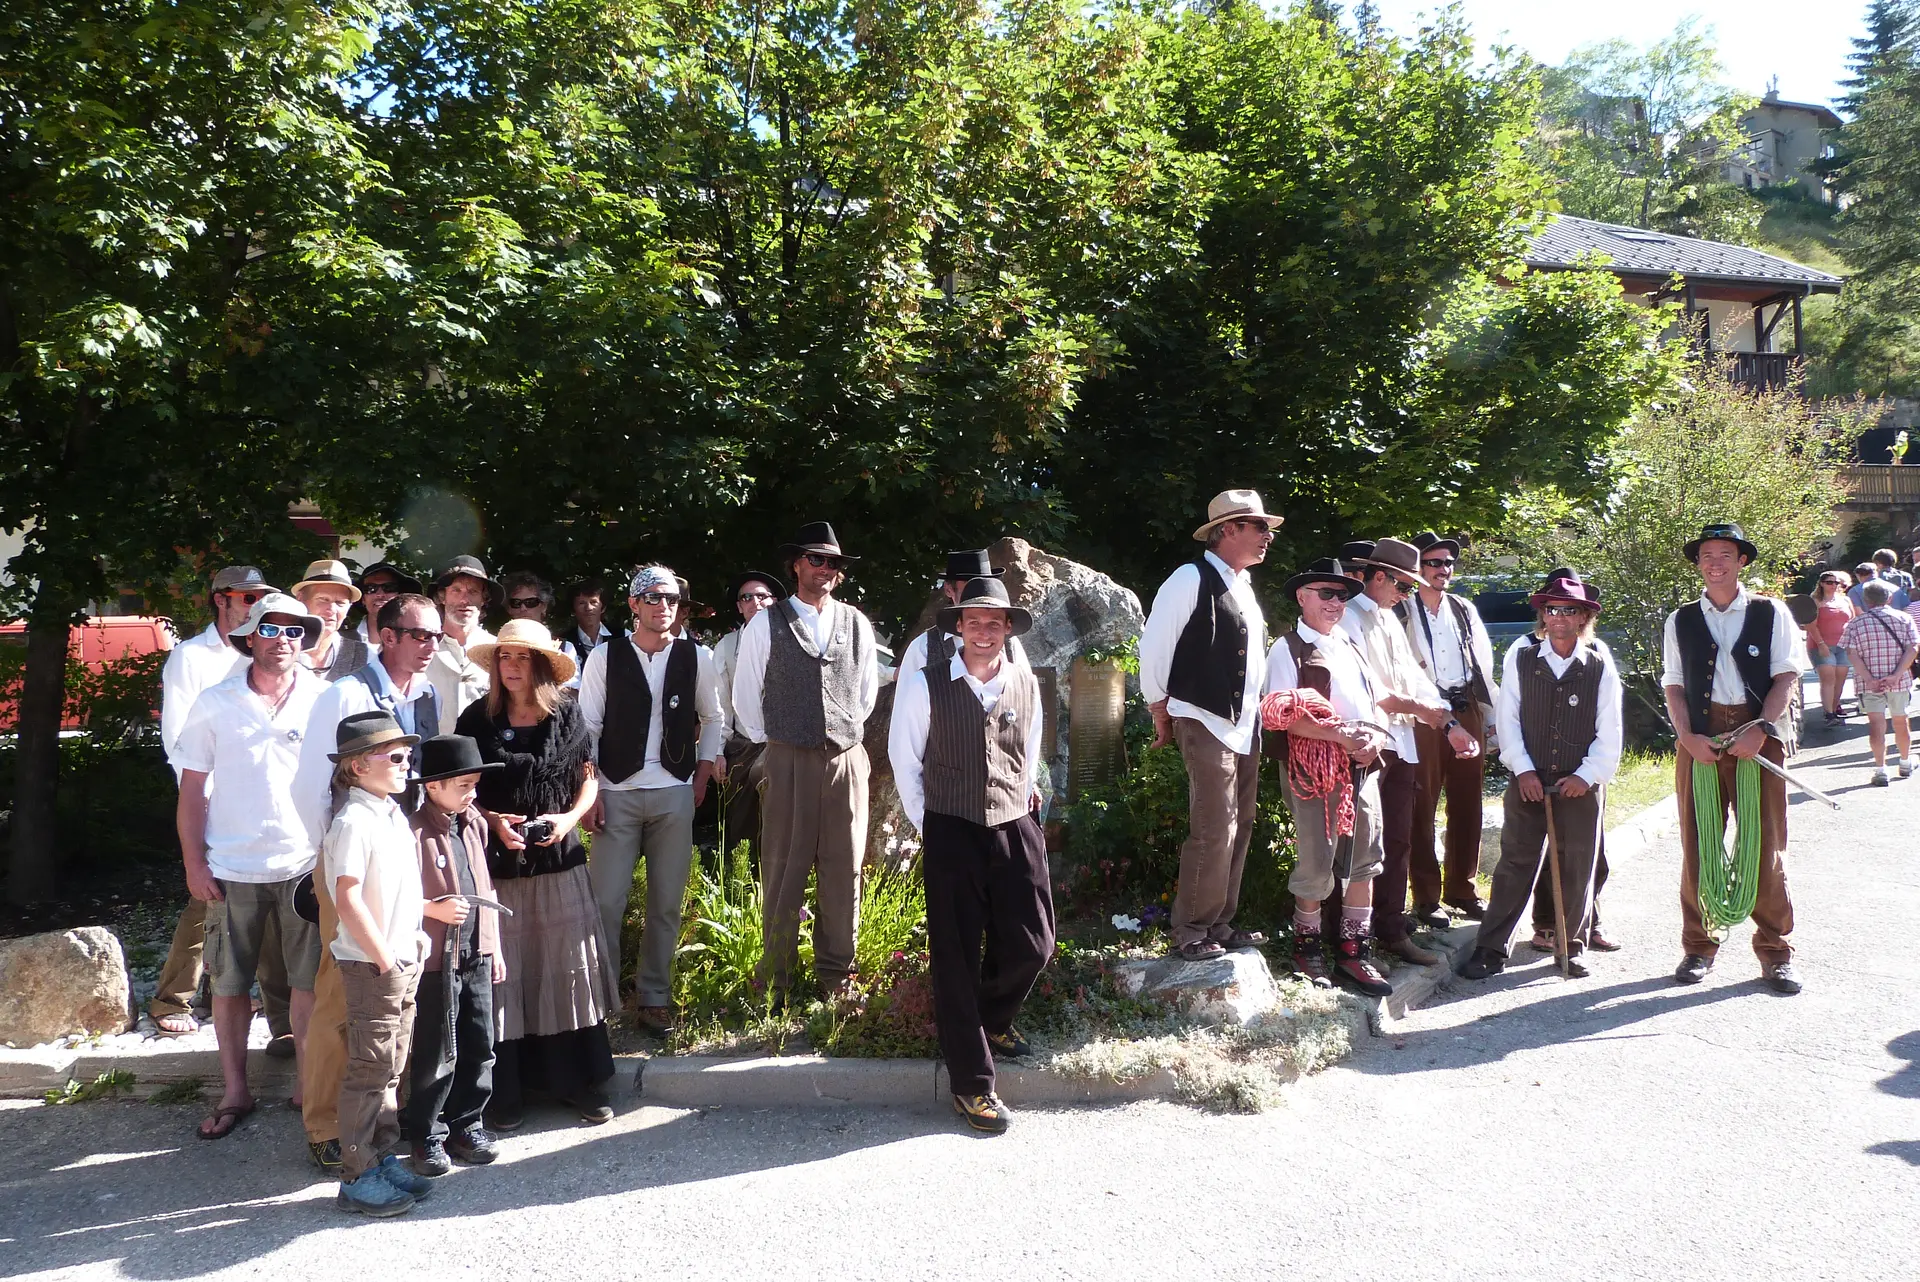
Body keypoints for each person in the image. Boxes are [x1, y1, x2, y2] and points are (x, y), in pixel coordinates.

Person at [890, 577, 1051, 1135]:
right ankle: (972, 1085)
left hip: (1012, 820)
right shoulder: (925, 683)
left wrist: (1017, 797)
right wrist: (931, 823)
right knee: (955, 954)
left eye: (995, 622)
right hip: (950, 825)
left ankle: (991, 1019)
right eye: (974, 621)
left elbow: (1029, 753)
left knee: (1034, 941)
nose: (984, 631)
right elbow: (905, 760)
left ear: (1008, 629)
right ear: (958, 627)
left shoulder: (1024, 683)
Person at [293, 591, 444, 1171]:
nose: (432, 644)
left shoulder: (427, 694)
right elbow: (310, 787)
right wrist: (332, 860)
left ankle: (379, 1127)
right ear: (386, 636)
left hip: (399, 850)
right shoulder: (346, 694)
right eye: (420, 634)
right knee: (343, 991)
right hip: (352, 857)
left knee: (391, 1001)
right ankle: (326, 1125)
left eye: (435, 635)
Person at [172, 592, 327, 1140]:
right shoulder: (215, 701)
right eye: (272, 629)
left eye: (296, 631)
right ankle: (235, 1089)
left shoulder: (325, 698)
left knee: (308, 983)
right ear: (250, 636)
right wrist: (194, 863)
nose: (285, 639)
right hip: (232, 864)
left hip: (304, 862)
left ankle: (310, 1084)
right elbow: (192, 789)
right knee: (228, 983)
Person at [457, 623, 614, 1126]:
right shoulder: (475, 720)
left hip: (559, 862)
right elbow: (460, 789)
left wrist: (569, 820)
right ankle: (505, 1092)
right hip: (496, 868)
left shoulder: (568, 716)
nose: (512, 665)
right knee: (506, 978)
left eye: (524, 657)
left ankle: (578, 1084)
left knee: (565, 972)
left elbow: (588, 779)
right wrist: (491, 821)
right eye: (505, 655)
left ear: (542, 665)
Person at [731, 522, 880, 1004]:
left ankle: (837, 976)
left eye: (833, 562)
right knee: (782, 869)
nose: (826, 569)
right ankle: (776, 980)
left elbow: (866, 695)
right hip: (787, 757)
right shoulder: (764, 623)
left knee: (845, 868)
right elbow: (746, 696)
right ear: (795, 564)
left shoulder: (857, 623)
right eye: (816, 559)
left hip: (845, 760)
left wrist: (839, 733)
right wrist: (777, 741)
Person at [151, 564, 293, 1044]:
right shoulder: (191, 657)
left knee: (270, 912)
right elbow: (179, 741)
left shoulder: (269, 652)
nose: (257, 605)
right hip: (213, 801)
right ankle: (173, 998)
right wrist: (205, 807)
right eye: (248, 598)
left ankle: (279, 1021)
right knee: (206, 900)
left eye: (263, 597)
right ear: (220, 599)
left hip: (264, 809)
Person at [1662, 522, 1806, 995]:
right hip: (1700, 740)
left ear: (1742, 561)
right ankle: (1698, 946)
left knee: (1763, 844)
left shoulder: (1771, 612)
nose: (1715, 562)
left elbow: (1786, 677)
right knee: (1699, 841)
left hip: (1757, 735)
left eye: (1725, 554)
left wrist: (1762, 729)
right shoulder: (1681, 618)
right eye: (1707, 555)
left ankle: (1775, 951)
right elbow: (1675, 684)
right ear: (1698, 563)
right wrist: (1686, 736)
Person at [579, 570, 725, 1033]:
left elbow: (714, 718)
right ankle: (599, 1003)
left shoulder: (696, 656)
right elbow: (587, 729)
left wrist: (702, 774)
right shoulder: (605, 656)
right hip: (616, 790)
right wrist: (590, 791)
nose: (664, 605)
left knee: (667, 902)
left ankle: (654, 997)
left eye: (671, 598)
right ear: (633, 604)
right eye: (653, 597)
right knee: (605, 903)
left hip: (674, 789)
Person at [1458, 570, 1622, 980]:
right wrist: (1523, 769)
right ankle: (1491, 948)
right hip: (1529, 777)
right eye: (1552, 610)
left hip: (1581, 781)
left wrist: (1587, 776)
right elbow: (1508, 717)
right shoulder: (1522, 655)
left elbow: (1611, 727)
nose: (1559, 618)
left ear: (1583, 617)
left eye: (1569, 610)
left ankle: (1572, 946)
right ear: (1543, 616)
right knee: (1515, 862)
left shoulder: (1600, 662)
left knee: (1577, 863)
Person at [1138, 491, 1279, 961]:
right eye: (1258, 526)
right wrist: (1159, 708)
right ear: (1228, 530)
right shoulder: (1188, 578)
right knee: (1214, 827)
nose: (1267, 535)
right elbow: (1156, 647)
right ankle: (1191, 929)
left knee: (1240, 825)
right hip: (1203, 716)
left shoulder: (1242, 585)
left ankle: (1220, 921)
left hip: (1244, 722)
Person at [1343, 538, 1481, 965]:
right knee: (1359, 848)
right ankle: (1351, 939)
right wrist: (1432, 715)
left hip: (1401, 743)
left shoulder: (1387, 616)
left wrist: (1451, 724)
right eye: (1404, 586)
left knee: (1397, 840)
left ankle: (1392, 931)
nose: (1406, 595)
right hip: (1368, 745)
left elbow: (1415, 681)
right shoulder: (1348, 618)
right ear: (1379, 576)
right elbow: (1373, 690)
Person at [1260, 557, 1393, 997]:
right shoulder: (1286, 650)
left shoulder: (1350, 645)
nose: (1336, 602)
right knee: (1317, 857)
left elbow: (1372, 706)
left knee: (1364, 858)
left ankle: (1355, 951)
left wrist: (1372, 738)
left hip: (1361, 768)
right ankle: (1308, 948)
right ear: (1302, 597)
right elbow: (1280, 716)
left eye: (1341, 595)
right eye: (1326, 593)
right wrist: (1339, 735)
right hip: (1311, 771)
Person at [321, 711, 433, 1217]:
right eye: (394, 757)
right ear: (357, 767)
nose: (405, 764)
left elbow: (398, 892)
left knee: (391, 1068)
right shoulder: (353, 821)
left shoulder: (390, 815)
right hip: (373, 967)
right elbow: (347, 898)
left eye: (407, 755)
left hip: (400, 959)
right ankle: (356, 1174)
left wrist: (411, 939)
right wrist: (384, 956)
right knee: (369, 1071)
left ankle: (381, 1156)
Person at [404, 735, 506, 1177]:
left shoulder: (474, 824)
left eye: (475, 784)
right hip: (434, 962)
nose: (473, 794)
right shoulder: (410, 832)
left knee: (479, 1042)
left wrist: (493, 945)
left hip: (475, 952)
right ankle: (426, 1133)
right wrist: (431, 909)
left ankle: (468, 1123)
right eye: (464, 785)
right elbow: (391, 896)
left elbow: (486, 888)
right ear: (432, 786)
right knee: (434, 1048)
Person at [1401, 531, 1500, 924]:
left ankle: (1463, 889)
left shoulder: (1463, 608)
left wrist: (1488, 720)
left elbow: (1484, 665)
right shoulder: (1402, 611)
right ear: (1417, 567)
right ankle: (1426, 897)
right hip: (1425, 713)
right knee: (1421, 804)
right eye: (1435, 562)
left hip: (1466, 705)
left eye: (1448, 563)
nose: (1444, 569)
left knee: (1467, 801)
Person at [714, 570, 787, 861]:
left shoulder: (792, 641)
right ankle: (743, 888)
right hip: (744, 747)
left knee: (783, 824)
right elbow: (720, 705)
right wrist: (717, 751)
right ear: (739, 606)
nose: (755, 602)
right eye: (747, 597)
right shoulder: (726, 646)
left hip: (787, 746)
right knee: (742, 825)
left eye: (762, 596)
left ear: (775, 601)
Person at [895, 550, 1027, 680]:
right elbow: (907, 698)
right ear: (948, 589)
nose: (977, 592)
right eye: (970, 585)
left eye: (984, 584)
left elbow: (1025, 693)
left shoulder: (1010, 644)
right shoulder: (923, 647)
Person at [1840, 579, 1918, 785]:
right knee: (1901, 721)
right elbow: (1913, 648)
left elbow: (1851, 653)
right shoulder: (1904, 619)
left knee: (1876, 724)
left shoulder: (1855, 624)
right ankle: (1904, 762)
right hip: (1899, 682)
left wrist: (1869, 679)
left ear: (1866, 600)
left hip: (1869, 684)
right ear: (1890, 598)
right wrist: (1896, 675)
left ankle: (1880, 769)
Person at [429, 555, 500, 734]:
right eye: (456, 590)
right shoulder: (423, 645)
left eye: (473, 592)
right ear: (442, 597)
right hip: (430, 753)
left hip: (484, 754)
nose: (464, 600)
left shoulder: (498, 649)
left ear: (484, 599)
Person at [293, 560, 371, 682]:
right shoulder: (279, 649)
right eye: (323, 599)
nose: (332, 609)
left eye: (340, 603)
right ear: (300, 599)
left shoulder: (366, 656)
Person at [1806, 569, 1857, 722]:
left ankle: (1834, 709)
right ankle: (1828, 713)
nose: (1833, 585)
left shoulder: (1845, 600)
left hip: (1843, 645)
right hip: (1821, 645)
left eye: (1836, 582)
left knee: (1840, 679)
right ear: (1821, 584)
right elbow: (1810, 625)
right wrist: (1821, 644)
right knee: (1828, 679)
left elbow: (1852, 621)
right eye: (1829, 582)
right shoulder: (1815, 600)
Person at [352, 562, 423, 648]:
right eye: (371, 588)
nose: (380, 594)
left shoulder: (418, 639)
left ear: (400, 597)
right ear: (363, 599)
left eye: (389, 587)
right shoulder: (343, 641)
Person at [558, 578, 612, 666]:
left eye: (593, 602)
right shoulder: (563, 643)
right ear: (573, 609)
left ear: (603, 607)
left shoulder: (622, 636)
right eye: (582, 603)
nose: (588, 608)